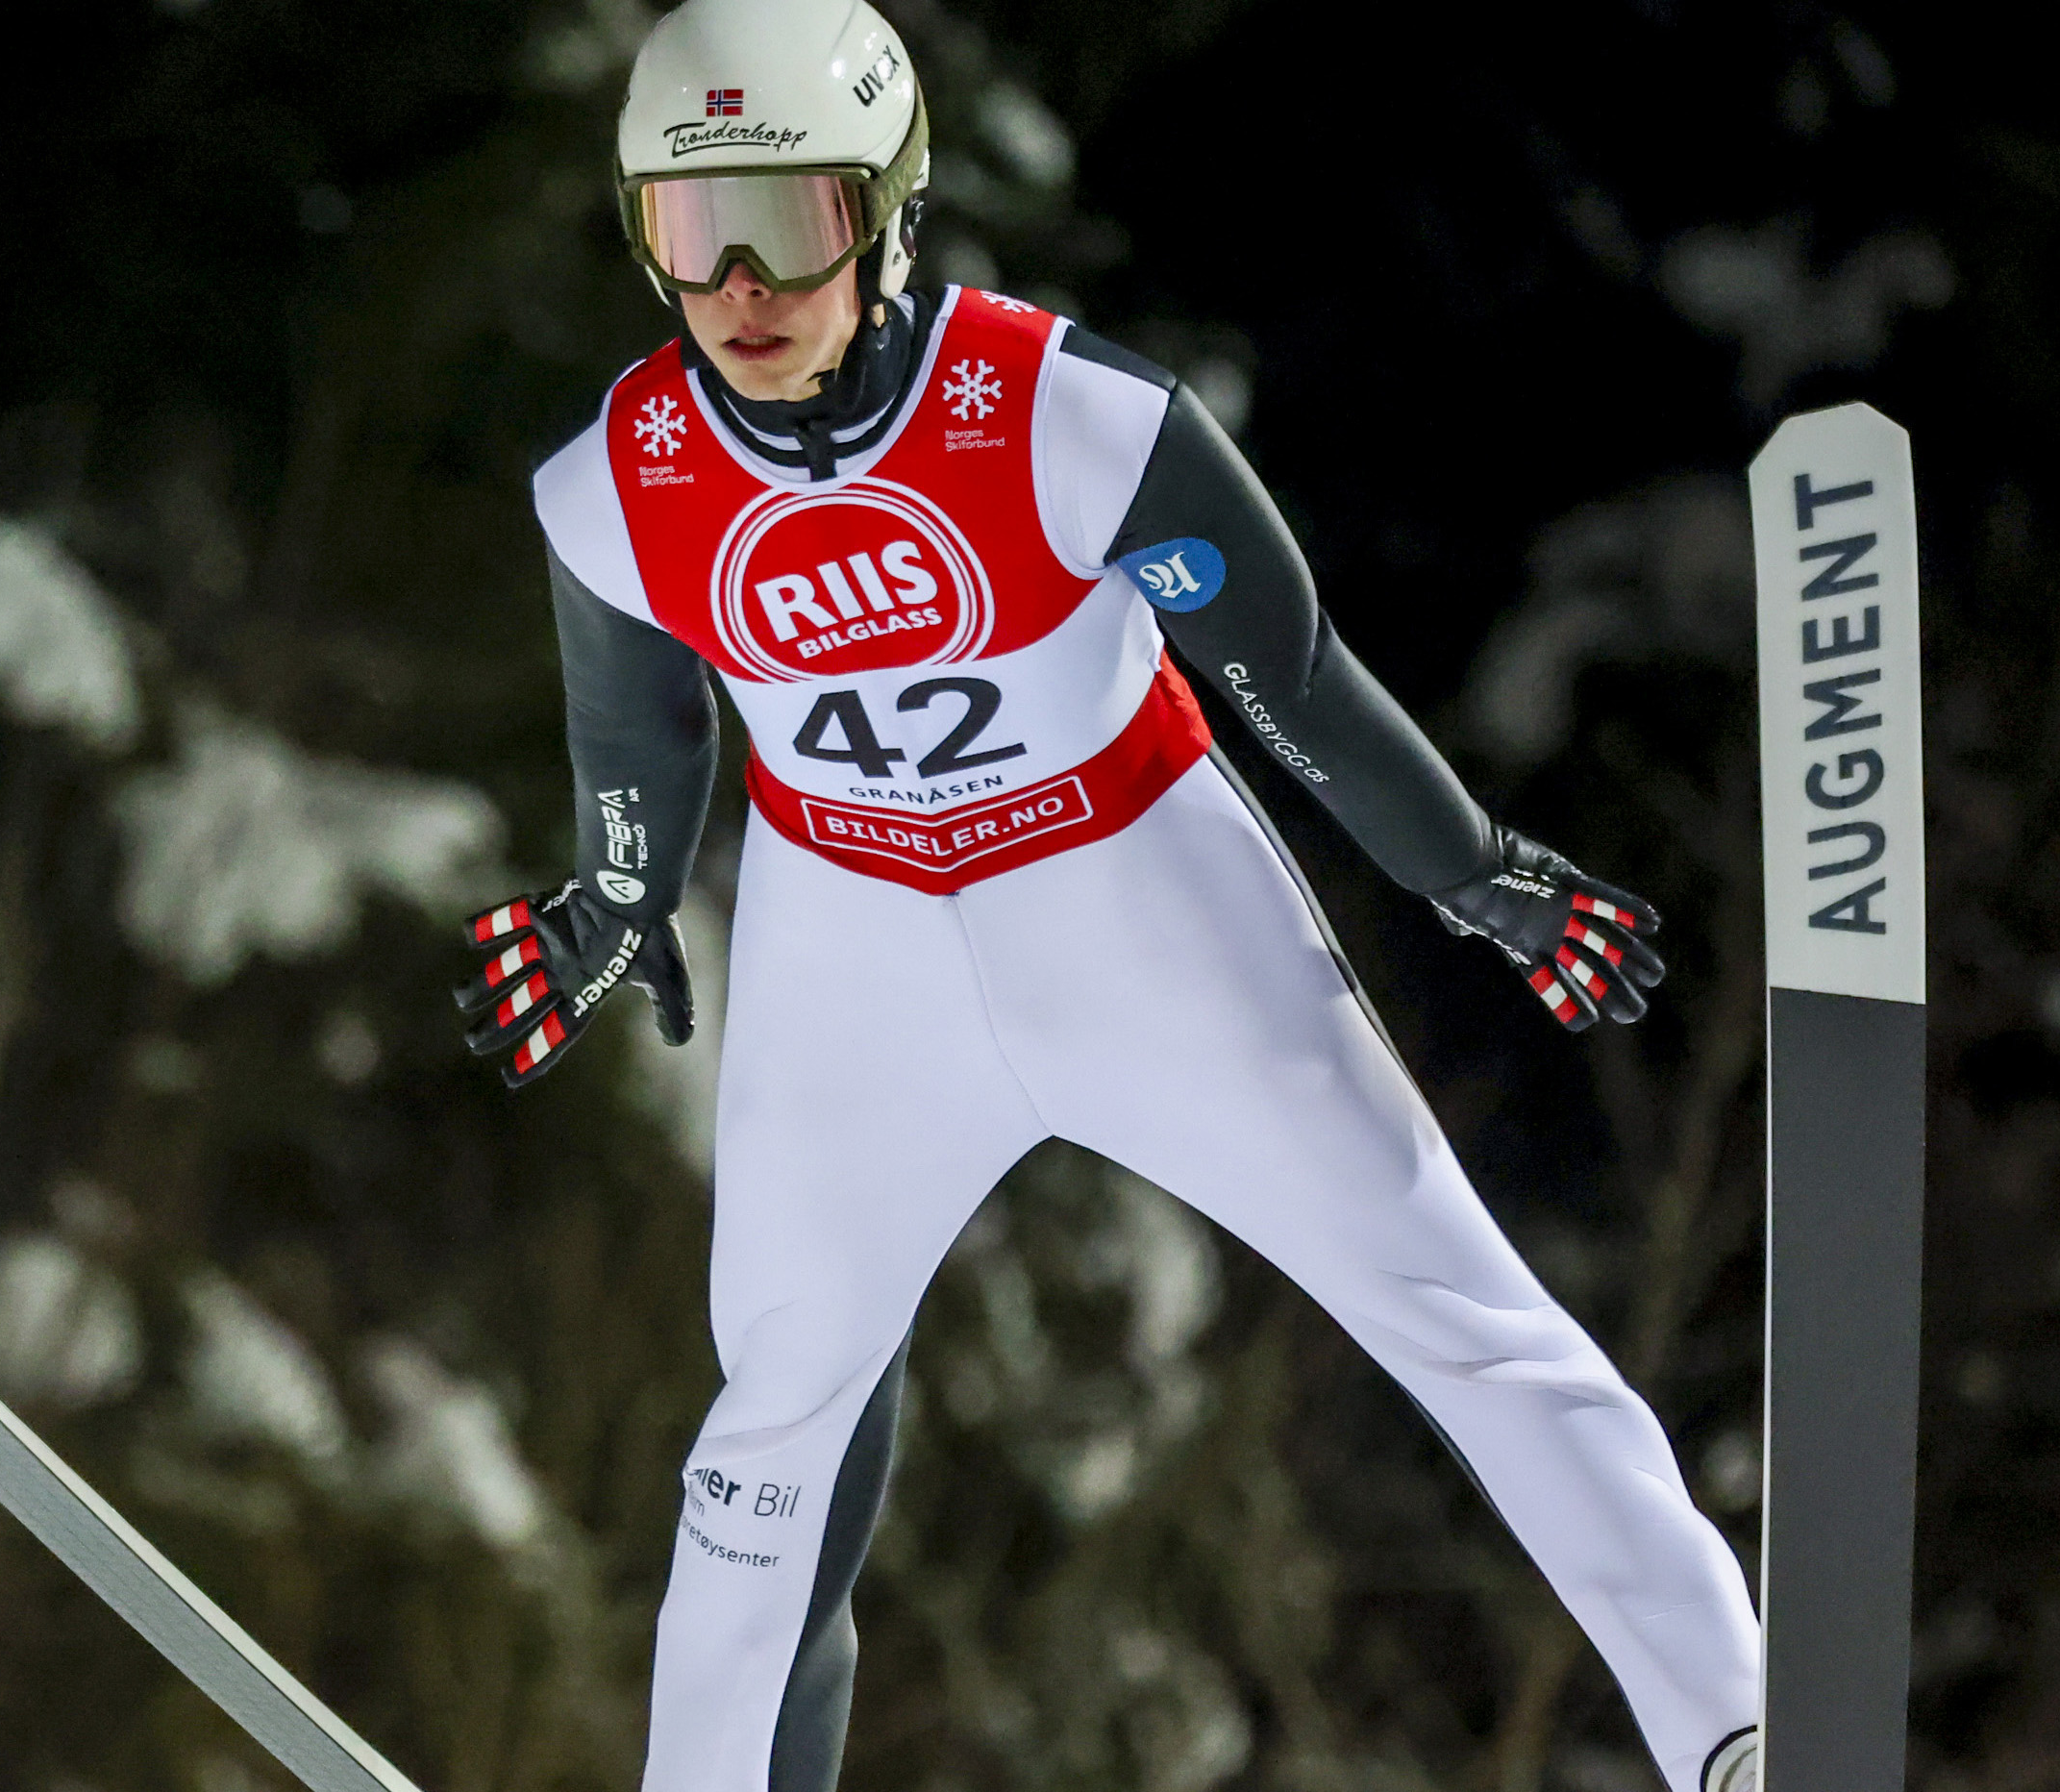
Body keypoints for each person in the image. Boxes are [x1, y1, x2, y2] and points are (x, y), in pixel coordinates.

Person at [450, 5, 1765, 1791]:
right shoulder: (617, 484)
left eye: (793, 223)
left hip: (1136, 898)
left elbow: (1288, 674)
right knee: (770, 1435)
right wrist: (611, 906)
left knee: (1452, 1307)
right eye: (695, 233)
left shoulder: (1066, 418)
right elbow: (641, 739)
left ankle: (1740, 1733)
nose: (744, 288)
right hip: (857, 949)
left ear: (888, 215)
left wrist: (1484, 878)